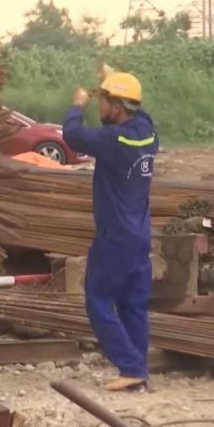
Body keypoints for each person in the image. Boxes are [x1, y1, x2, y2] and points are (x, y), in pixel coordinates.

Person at [62, 71, 158, 392]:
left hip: (114, 236)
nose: (99, 106)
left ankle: (130, 367)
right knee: (133, 306)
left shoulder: (111, 141)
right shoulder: (148, 134)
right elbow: (141, 112)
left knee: (98, 300)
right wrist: (113, 77)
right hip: (140, 235)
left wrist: (78, 104)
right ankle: (138, 374)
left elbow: (72, 134)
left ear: (117, 107)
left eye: (103, 101)